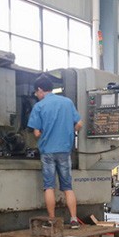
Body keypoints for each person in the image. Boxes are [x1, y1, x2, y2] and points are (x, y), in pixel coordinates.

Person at [27, 74, 83, 228]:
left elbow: (36, 133)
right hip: (64, 150)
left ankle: (52, 220)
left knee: (49, 186)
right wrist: (69, 131)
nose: (36, 95)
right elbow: (79, 124)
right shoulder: (67, 102)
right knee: (68, 187)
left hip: (48, 152)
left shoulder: (39, 106)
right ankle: (73, 219)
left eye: (36, 92)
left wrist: (45, 134)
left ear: (40, 90)